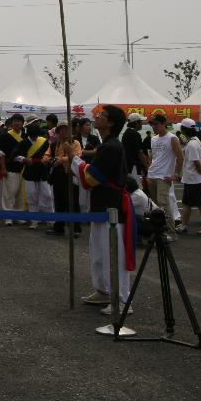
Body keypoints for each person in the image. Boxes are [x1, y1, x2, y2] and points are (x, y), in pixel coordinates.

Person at [73, 105, 133, 315]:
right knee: (99, 251)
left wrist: (75, 160)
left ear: (111, 123)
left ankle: (123, 298)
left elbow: (92, 178)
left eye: (102, 116)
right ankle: (103, 289)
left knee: (114, 254)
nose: (97, 118)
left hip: (112, 206)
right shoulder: (106, 145)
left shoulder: (111, 147)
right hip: (102, 205)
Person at [145, 113, 183, 239]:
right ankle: (159, 231)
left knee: (164, 204)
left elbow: (180, 157)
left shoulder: (172, 138)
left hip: (164, 176)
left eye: (156, 124)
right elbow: (153, 157)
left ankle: (172, 232)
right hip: (152, 175)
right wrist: (148, 172)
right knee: (155, 206)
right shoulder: (153, 139)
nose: (154, 127)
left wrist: (176, 174)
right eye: (152, 124)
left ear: (163, 124)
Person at [177, 119, 201, 236]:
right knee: (187, 203)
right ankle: (184, 225)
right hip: (192, 178)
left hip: (192, 179)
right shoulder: (196, 141)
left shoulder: (192, 144)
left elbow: (196, 162)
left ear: (184, 130)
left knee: (200, 204)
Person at [45, 120, 80, 236]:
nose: (63, 131)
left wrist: (61, 160)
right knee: (58, 201)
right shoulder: (54, 144)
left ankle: (76, 228)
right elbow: (46, 156)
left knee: (73, 201)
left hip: (71, 174)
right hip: (58, 175)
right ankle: (59, 227)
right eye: (61, 129)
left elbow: (77, 156)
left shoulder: (75, 143)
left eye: (66, 129)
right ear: (58, 132)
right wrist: (47, 160)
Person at [21, 121, 53, 229]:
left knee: (47, 195)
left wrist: (47, 159)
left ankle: (50, 219)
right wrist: (24, 159)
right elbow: (15, 154)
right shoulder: (24, 142)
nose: (34, 137)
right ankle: (34, 221)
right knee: (31, 195)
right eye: (32, 134)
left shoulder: (44, 142)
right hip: (30, 171)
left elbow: (50, 154)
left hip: (43, 171)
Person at [0, 113, 26, 223]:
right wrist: (3, 167)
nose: (17, 123)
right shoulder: (5, 136)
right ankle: (8, 215)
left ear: (22, 123)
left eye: (19, 121)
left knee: (20, 193)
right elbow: (0, 153)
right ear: (11, 123)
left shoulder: (25, 136)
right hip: (9, 168)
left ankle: (18, 214)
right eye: (15, 121)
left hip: (23, 169)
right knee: (9, 192)